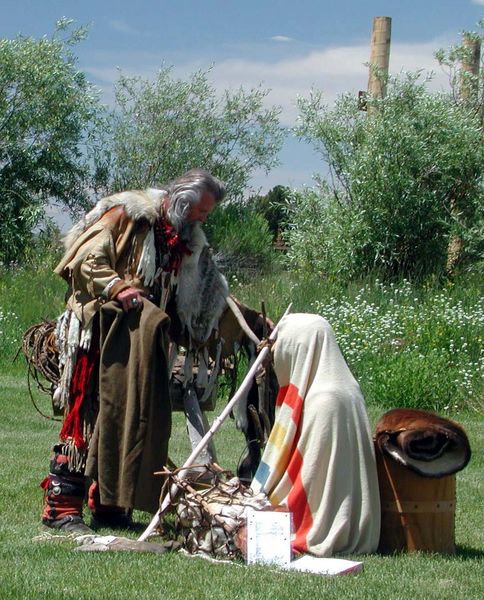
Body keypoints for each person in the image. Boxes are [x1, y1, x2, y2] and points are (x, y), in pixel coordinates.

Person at [41, 169, 228, 534]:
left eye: (206, 215)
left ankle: (111, 506)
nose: (203, 220)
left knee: (128, 417)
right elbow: (85, 258)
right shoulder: (129, 213)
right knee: (89, 414)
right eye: (200, 213)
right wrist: (116, 286)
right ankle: (61, 509)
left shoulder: (185, 241)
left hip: (139, 339)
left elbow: (203, 292)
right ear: (181, 202)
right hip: (97, 332)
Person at [251, 313, 380, 557]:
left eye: (284, 347)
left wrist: (270, 497)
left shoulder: (324, 399)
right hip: (363, 523)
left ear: (300, 348)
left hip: (326, 519)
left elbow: (311, 472)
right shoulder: (346, 387)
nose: (279, 354)